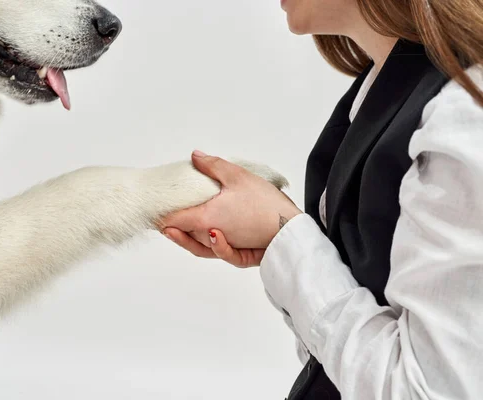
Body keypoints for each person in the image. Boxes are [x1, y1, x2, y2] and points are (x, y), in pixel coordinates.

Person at [161, 0, 483, 399]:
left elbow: (426, 391)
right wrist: (279, 241)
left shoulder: (465, 114)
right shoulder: (388, 89)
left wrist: (289, 239)